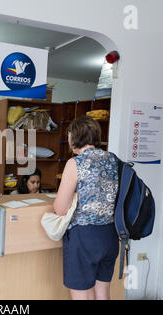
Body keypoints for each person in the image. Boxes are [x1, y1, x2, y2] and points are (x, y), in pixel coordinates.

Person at [53, 116, 119, 300]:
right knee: (102, 293)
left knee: (83, 295)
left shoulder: (76, 163)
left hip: (85, 237)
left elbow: (60, 209)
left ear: (75, 138)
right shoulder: (112, 160)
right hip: (110, 235)